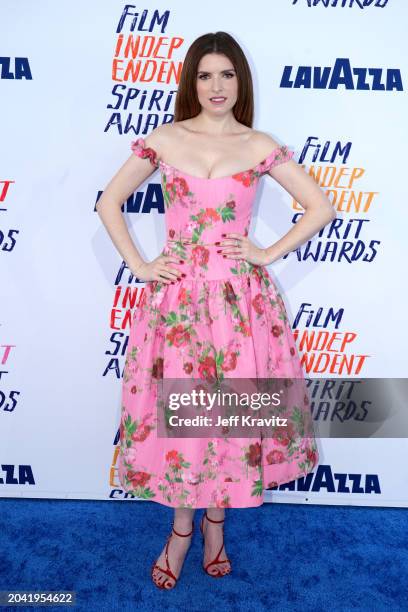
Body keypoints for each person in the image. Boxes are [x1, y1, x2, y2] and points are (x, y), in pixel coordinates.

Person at [96, 31, 335, 590]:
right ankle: (182, 531)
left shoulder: (258, 144)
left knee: (231, 417)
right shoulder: (164, 138)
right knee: (184, 421)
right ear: (192, 82)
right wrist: (141, 263)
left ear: (239, 81)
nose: (217, 86)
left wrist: (266, 252)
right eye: (205, 75)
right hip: (177, 303)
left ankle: (217, 525)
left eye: (227, 74)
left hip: (239, 302)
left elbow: (320, 207)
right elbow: (109, 202)